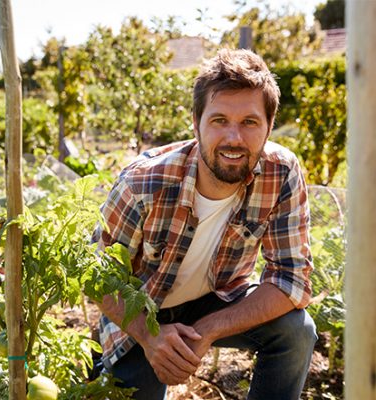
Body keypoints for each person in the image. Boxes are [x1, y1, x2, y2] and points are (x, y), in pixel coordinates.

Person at [92, 48, 317, 400]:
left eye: (249, 122)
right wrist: (152, 338)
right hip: (144, 310)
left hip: (218, 298)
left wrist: (207, 330)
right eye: (219, 120)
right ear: (196, 124)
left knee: (297, 330)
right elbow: (97, 278)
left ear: (269, 126)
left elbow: (292, 279)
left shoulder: (281, 172)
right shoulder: (144, 182)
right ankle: (109, 365)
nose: (234, 139)